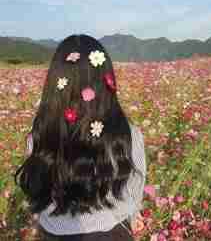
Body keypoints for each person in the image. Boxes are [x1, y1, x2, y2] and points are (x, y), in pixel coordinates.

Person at [14, 34, 146, 240]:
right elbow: (134, 189)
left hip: (54, 233)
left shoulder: (41, 133)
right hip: (113, 232)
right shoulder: (127, 133)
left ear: (55, 83)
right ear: (106, 80)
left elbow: (36, 187)